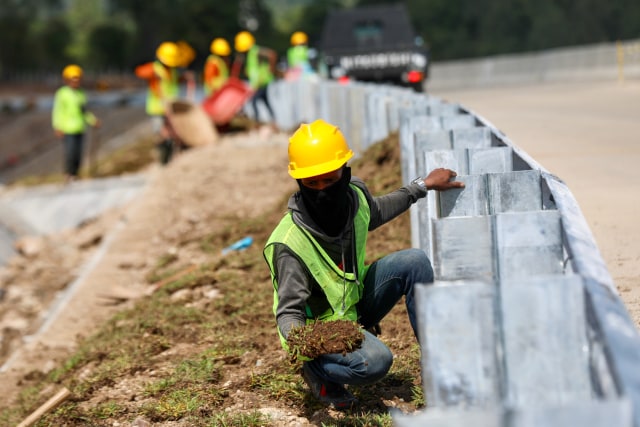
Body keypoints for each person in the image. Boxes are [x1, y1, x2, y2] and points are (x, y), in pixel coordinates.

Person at [263, 119, 464, 409]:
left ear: (345, 173)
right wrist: (314, 343)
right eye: (312, 183)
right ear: (299, 182)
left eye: (329, 180)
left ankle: (437, 367)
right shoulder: (289, 244)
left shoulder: (354, 198)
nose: (322, 190)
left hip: (353, 306)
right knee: (375, 363)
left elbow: (378, 210)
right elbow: (289, 313)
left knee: (414, 261)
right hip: (322, 331)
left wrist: (423, 185)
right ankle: (316, 371)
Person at [134, 41, 192, 165]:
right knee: (161, 135)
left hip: (171, 108)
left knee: (172, 135)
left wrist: (183, 78)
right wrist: (152, 75)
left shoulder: (173, 71)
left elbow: (173, 85)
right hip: (157, 109)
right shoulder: (154, 68)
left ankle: (170, 158)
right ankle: (162, 160)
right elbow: (139, 71)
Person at [52, 64, 100, 183]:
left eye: (77, 79)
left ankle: (75, 174)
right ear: (67, 80)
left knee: (78, 153)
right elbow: (57, 111)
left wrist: (93, 121)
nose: (75, 82)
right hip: (67, 128)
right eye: (73, 79)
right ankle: (68, 174)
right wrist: (57, 126)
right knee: (70, 153)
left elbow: (84, 111)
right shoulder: (62, 94)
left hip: (79, 127)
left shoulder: (81, 93)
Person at [234, 30, 277, 130]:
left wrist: (272, 69)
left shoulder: (257, 51)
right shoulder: (250, 55)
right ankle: (274, 121)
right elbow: (253, 69)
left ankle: (257, 122)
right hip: (258, 83)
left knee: (254, 101)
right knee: (265, 101)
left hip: (263, 82)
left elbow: (272, 54)